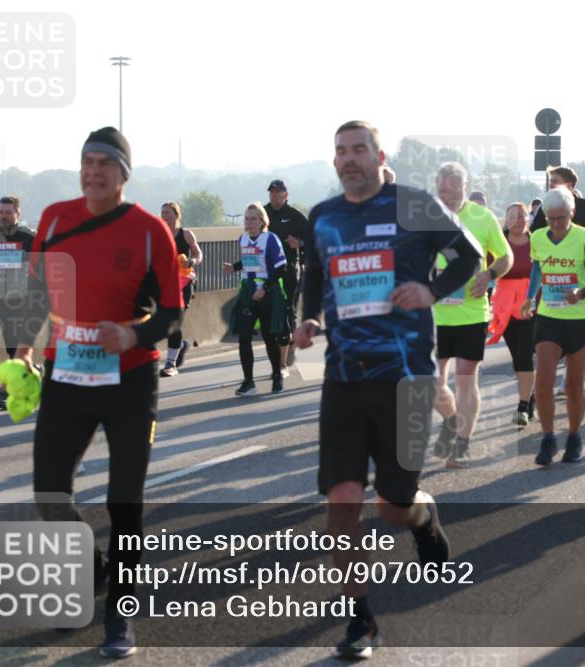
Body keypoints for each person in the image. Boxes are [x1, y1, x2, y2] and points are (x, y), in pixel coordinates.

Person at [294, 120, 481, 659]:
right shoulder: (325, 216)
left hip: (407, 377)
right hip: (344, 377)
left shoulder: (414, 204)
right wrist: (309, 320)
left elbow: (468, 257)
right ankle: (362, 621)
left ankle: (424, 517)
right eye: (341, 152)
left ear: (378, 155)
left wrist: (431, 289)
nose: (349, 159)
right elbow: (315, 276)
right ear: (334, 162)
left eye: (359, 149)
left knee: (393, 507)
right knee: (343, 503)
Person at [13, 127, 183, 658]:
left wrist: (134, 333)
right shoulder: (55, 219)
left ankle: (120, 617)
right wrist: (21, 351)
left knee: (123, 502)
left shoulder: (151, 229)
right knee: (49, 495)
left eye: (105, 163)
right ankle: (91, 573)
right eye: (86, 161)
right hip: (65, 374)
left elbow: (175, 316)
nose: (93, 171)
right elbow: (36, 292)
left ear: (123, 174)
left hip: (131, 379)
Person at [432, 163, 513, 467]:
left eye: (453, 190)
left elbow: (506, 255)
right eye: (442, 191)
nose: (448, 195)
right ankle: (452, 421)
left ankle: (461, 445)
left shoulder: (482, 217)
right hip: (433, 316)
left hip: (471, 313)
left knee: (466, 381)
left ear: (465, 187)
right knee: (431, 383)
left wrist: (490, 273)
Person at [521, 186, 585, 465]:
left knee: (573, 386)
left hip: (580, 319)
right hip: (549, 316)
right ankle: (548, 438)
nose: (556, 224)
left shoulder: (584, 237)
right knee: (544, 382)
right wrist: (529, 298)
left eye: (561, 218)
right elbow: (537, 269)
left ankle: (574, 435)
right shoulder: (537, 237)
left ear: (572, 213)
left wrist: (582, 293)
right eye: (551, 218)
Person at [223, 204, 288, 396]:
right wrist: (233, 267)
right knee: (243, 337)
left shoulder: (270, 239)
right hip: (248, 294)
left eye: (253, 219)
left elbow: (281, 268)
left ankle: (277, 375)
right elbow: (249, 261)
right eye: (246, 219)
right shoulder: (242, 239)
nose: (249, 222)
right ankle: (248, 382)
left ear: (262, 220)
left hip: (268, 293)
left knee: (269, 338)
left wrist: (265, 288)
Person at [0, 195, 37, 409]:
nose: (4, 216)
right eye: (1, 212)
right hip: (1, 298)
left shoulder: (29, 237)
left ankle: (16, 393)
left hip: (24, 297)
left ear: (18, 214)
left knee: (18, 342)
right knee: (10, 343)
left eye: (8, 212)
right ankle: (33, 372)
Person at [487, 202, 536, 426]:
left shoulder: (537, 242)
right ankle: (530, 395)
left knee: (525, 354)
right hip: (506, 305)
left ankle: (522, 406)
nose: (517, 221)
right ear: (505, 220)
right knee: (517, 356)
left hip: (530, 303)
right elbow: (484, 268)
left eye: (522, 216)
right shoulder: (498, 242)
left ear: (528, 219)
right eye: (512, 217)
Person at [266, 179, 311, 377]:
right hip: (266, 271)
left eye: (277, 193)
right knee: (269, 311)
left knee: (287, 308)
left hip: (290, 269)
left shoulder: (294, 216)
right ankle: (286, 340)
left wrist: (299, 243)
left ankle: (287, 342)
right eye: (271, 193)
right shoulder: (263, 213)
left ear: (286, 195)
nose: (274, 196)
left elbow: (313, 237)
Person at [159, 201, 202, 377]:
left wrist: (192, 261)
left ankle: (170, 364)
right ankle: (182, 345)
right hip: (166, 284)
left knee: (175, 319)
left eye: (168, 212)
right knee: (165, 322)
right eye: (162, 213)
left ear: (177, 215)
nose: (164, 216)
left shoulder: (186, 234)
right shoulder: (159, 234)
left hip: (184, 282)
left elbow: (198, 254)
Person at [530, 165, 585, 241]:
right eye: (550, 181)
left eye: (555, 181)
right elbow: (533, 231)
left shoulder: (584, 205)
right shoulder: (545, 206)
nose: (551, 185)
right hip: (553, 253)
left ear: (569, 185)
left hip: (578, 252)